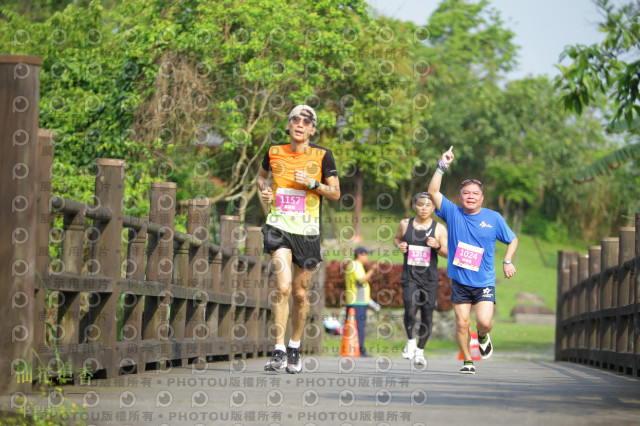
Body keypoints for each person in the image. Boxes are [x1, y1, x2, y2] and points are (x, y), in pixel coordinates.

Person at [256, 105, 340, 374]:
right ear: (288, 126)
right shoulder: (274, 152)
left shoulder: (323, 155)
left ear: (313, 129)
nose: (301, 124)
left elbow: (336, 193)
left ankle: (294, 345)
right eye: (295, 119)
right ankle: (278, 348)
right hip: (278, 226)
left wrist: (312, 184)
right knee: (282, 287)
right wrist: (265, 191)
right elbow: (260, 178)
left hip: (307, 231)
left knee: (301, 293)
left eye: (307, 121)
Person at [427, 146, 518, 374]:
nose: (470, 196)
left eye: (475, 193)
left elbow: (512, 239)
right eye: (466, 193)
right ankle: (467, 361)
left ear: (482, 198)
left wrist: (507, 261)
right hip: (460, 280)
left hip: (485, 281)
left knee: (485, 322)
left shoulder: (493, 218)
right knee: (462, 323)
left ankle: (483, 336)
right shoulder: (452, 213)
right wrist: (442, 165)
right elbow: (433, 192)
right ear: (460, 197)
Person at [394, 192, 448, 366]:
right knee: (410, 308)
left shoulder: (439, 228)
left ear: (433, 208)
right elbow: (397, 239)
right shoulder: (405, 224)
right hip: (410, 276)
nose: (424, 208)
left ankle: (420, 352)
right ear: (414, 206)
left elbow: (447, 253)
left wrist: (437, 246)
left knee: (427, 315)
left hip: (429, 279)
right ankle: (411, 342)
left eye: (428, 205)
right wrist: (399, 246)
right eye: (420, 205)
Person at [344, 246, 376, 357]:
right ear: (360, 255)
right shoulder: (355, 265)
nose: (368, 257)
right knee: (359, 326)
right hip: (357, 302)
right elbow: (362, 280)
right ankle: (360, 349)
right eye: (366, 254)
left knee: (355, 326)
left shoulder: (355, 265)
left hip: (357, 301)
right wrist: (372, 271)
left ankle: (354, 348)